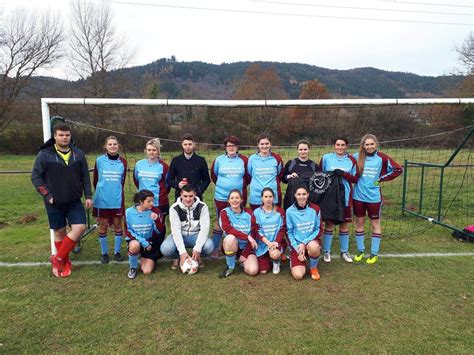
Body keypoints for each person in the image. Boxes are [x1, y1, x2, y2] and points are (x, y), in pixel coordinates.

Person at [31, 123, 92, 277]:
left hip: (74, 201)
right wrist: (47, 195)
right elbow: (36, 177)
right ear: (55, 136)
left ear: (70, 136)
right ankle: (65, 263)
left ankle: (57, 259)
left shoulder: (78, 154)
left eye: (67, 135)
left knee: (80, 227)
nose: (64, 138)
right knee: (59, 232)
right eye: (61, 135)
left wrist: (88, 195)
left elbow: (85, 176)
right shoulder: (45, 154)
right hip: (54, 202)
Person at [352, 134, 402, 264]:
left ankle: (374, 253)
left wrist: (381, 179)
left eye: (371, 144)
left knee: (375, 224)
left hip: (374, 197)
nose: (369, 146)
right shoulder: (356, 157)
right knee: (359, 223)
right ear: (363, 146)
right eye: (367, 144)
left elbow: (398, 169)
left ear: (376, 144)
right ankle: (360, 251)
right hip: (358, 196)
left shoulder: (382, 158)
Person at [319, 137, 359, 264]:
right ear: (334, 146)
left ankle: (344, 251)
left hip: (345, 197)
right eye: (338, 144)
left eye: (343, 145)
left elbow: (355, 179)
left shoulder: (351, 160)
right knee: (329, 224)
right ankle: (326, 251)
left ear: (346, 146)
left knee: (344, 225)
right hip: (330, 197)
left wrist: (344, 174)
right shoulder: (326, 158)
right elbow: (319, 175)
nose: (340, 147)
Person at [210, 135, 249, 259]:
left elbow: (248, 177)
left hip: (238, 197)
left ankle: (237, 247)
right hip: (221, 197)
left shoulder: (244, 160)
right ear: (225, 147)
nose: (231, 148)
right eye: (229, 146)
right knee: (220, 221)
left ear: (237, 147)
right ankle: (215, 248)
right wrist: (225, 187)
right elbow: (214, 176)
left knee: (238, 220)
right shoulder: (219, 160)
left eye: (234, 145)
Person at [160, 184, 214, 270]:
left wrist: (198, 248)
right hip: (180, 235)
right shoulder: (174, 208)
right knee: (165, 249)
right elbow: (176, 231)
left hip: (196, 235)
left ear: (195, 194)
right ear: (181, 194)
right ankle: (179, 257)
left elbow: (205, 228)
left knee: (209, 246)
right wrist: (182, 252)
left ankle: (196, 256)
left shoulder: (202, 206)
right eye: (185, 196)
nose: (188, 199)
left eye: (190, 196)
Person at [92, 136, 127, 264]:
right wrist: (103, 191)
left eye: (115, 144)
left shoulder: (123, 162)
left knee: (118, 225)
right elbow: (96, 180)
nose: (112, 146)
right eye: (110, 144)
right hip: (102, 200)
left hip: (116, 200)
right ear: (106, 146)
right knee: (103, 225)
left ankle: (117, 252)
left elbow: (121, 182)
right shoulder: (99, 160)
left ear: (118, 146)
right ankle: (104, 253)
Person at [124, 190, 166, 279]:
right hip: (136, 241)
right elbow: (128, 231)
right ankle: (133, 268)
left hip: (150, 244)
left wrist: (157, 220)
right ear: (141, 202)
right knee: (135, 245)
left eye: (153, 201)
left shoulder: (155, 212)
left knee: (147, 271)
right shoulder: (128, 212)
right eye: (149, 201)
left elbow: (159, 231)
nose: (152, 203)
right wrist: (143, 242)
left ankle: (143, 256)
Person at [286, 185, 323, 281]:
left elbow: (318, 229)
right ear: (295, 195)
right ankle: (295, 257)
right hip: (297, 245)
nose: (301, 197)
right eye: (299, 194)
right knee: (298, 276)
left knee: (314, 247)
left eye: (304, 194)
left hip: (310, 241)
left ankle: (313, 268)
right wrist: (298, 248)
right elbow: (289, 233)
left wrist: (304, 243)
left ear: (308, 195)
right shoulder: (289, 211)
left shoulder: (315, 209)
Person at [218, 189, 258, 278]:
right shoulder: (224, 212)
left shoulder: (249, 213)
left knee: (253, 270)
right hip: (232, 245)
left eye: (237, 198)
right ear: (228, 200)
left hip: (247, 247)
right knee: (230, 237)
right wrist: (247, 236)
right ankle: (230, 267)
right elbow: (227, 229)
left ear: (241, 200)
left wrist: (245, 253)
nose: (234, 200)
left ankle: (241, 261)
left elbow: (254, 232)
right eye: (232, 198)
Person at [252, 188, 286, 275]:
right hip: (263, 244)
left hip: (276, 243)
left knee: (274, 254)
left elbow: (282, 229)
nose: (268, 199)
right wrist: (268, 243)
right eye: (266, 196)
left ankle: (276, 261)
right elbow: (256, 230)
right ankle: (268, 259)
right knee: (263, 271)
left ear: (273, 198)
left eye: (270, 196)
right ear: (262, 198)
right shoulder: (256, 212)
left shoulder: (280, 211)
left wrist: (276, 242)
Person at [166, 133, 210, 201]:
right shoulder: (176, 160)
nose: (187, 147)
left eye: (190, 144)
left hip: (196, 197)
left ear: (194, 145)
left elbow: (207, 180)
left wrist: (199, 190)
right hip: (180, 197)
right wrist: (177, 184)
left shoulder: (201, 160)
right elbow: (169, 179)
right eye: (185, 144)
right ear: (182, 145)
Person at [247, 133, 284, 210]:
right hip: (256, 196)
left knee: (273, 219)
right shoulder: (252, 159)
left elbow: (279, 174)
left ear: (270, 144)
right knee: (257, 219)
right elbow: (249, 174)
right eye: (262, 144)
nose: (264, 146)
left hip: (272, 195)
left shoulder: (276, 158)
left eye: (267, 143)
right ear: (258, 145)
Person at [134, 138, 169, 215]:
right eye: (149, 150)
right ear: (146, 151)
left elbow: (167, 184)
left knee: (159, 225)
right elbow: (136, 180)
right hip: (142, 201)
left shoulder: (164, 166)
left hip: (158, 202)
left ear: (158, 151)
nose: (151, 152)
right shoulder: (139, 164)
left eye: (154, 150)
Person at [282, 139, 318, 210]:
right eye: (300, 149)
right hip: (291, 196)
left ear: (309, 150)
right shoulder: (291, 163)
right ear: (297, 150)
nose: (303, 151)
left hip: (308, 197)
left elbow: (317, 183)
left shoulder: (314, 165)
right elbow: (283, 179)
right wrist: (290, 176)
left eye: (305, 149)